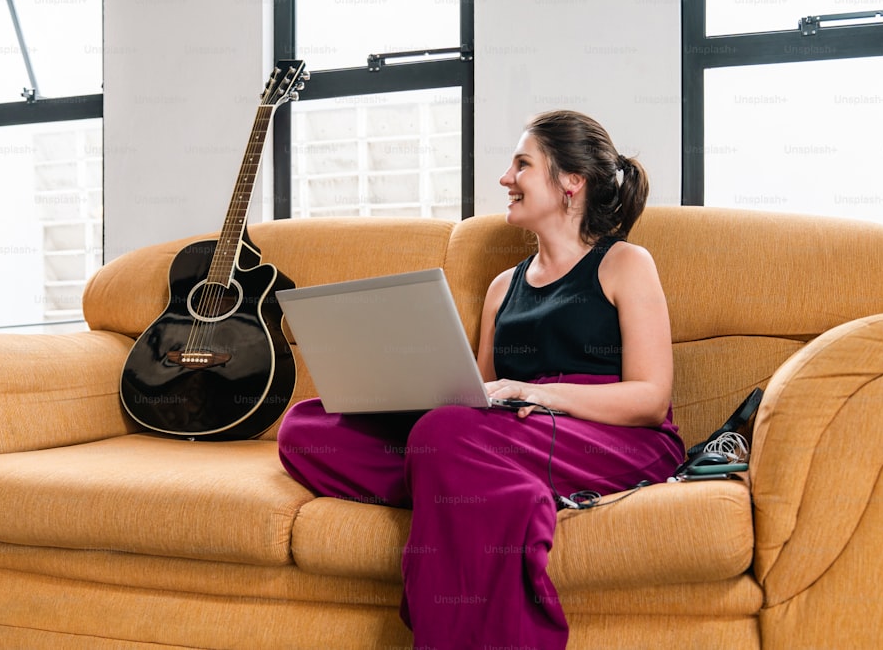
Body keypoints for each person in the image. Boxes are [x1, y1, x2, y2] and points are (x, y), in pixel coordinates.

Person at [277, 110, 685, 650]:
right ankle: (492, 489)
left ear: (571, 182)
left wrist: (538, 393)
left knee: (444, 438)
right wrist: (410, 392)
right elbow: (477, 392)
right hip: (504, 435)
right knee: (306, 426)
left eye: (522, 164)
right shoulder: (502, 286)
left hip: (612, 435)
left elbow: (651, 400)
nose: (505, 178)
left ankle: (465, 483)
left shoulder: (624, 263)